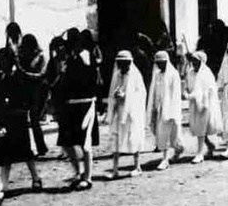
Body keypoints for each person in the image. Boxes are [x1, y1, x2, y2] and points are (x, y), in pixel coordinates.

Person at [0, 48, 40, 204]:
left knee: (25, 151)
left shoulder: (19, 77)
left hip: (19, 117)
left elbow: (26, 97)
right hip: (6, 117)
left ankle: (35, 177)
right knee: (6, 151)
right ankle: (3, 185)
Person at [53, 30, 99, 190]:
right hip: (71, 104)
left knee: (85, 144)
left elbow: (87, 74)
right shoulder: (70, 59)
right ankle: (79, 172)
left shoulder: (85, 55)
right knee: (66, 143)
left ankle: (88, 177)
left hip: (85, 104)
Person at [106, 51, 147, 178]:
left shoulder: (135, 75)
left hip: (131, 113)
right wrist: (115, 97)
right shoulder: (117, 75)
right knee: (116, 138)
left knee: (133, 137)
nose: (121, 66)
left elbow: (141, 94)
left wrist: (127, 97)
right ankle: (115, 169)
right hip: (119, 112)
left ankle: (137, 166)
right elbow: (112, 92)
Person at [148, 51, 184, 170]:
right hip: (159, 109)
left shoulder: (173, 74)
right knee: (162, 134)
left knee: (170, 133)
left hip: (170, 109)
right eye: (157, 63)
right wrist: (153, 107)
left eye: (161, 63)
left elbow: (175, 94)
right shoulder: (157, 75)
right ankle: (171, 154)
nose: (159, 65)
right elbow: (154, 92)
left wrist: (172, 111)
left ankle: (168, 157)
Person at [17, 34, 49, 158]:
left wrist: (25, 74)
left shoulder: (40, 57)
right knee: (27, 120)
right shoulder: (23, 56)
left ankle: (40, 147)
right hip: (27, 91)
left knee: (34, 120)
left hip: (38, 90)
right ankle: (30, 148)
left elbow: (42, 74)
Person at [185, 51, 221, 163]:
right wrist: (186, 93)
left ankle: (199, 153)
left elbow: (208, 89)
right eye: (193, 61)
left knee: (201, 127)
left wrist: (196, 96)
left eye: (196, 61)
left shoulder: (206, 73)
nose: (194, 63)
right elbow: (187, 86)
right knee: (198, 127)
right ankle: (210, 145)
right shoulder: (190, 73)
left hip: (205, 104)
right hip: (194, 104)